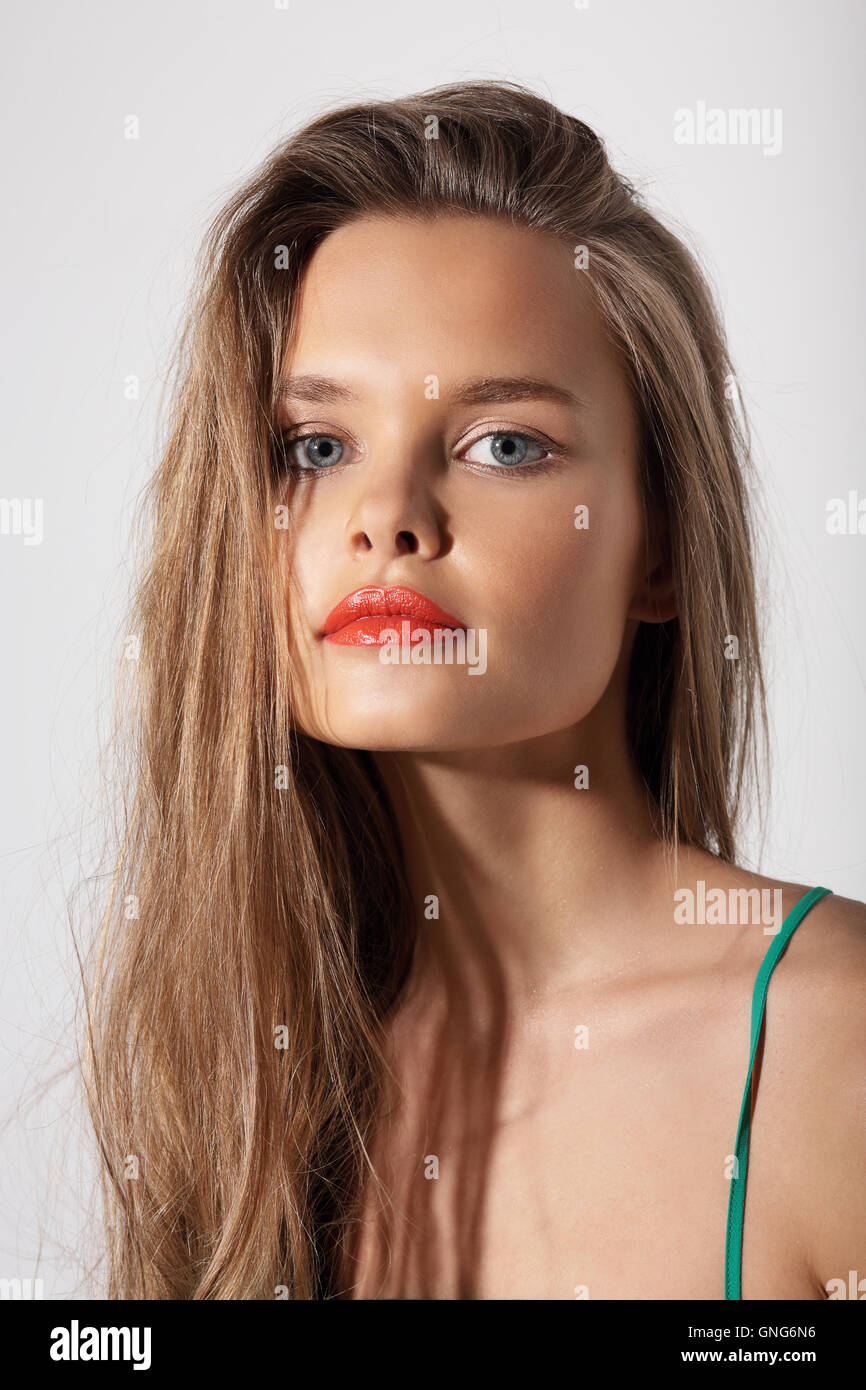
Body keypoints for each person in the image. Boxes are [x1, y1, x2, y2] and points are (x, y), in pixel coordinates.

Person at [83, 79, 866, 1300]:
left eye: (502, 444)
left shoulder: (836, 1045)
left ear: (656, 549)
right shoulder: (245, 1082)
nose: (384, 519)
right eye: (315, 447)